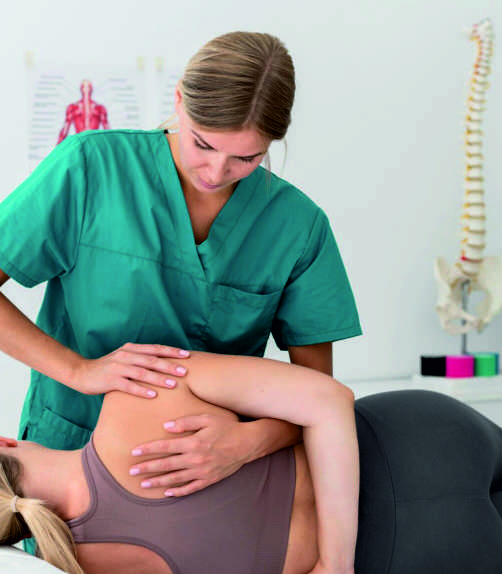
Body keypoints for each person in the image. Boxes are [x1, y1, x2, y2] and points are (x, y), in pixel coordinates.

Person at [0, 31, 361, 505]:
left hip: (209, 482)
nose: (215, 172)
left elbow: (320, 395)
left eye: (246, 158)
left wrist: (247, 442)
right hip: (69, 456)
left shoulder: (298, 226)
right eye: (203, 144)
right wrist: (80, 371)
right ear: (179, 103)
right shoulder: (90, 169)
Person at [3, 352, 502, 574]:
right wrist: (335, 563)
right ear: (5, 442)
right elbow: (327, 400)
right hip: (414, 441)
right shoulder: (135, 395)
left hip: (421, 559)